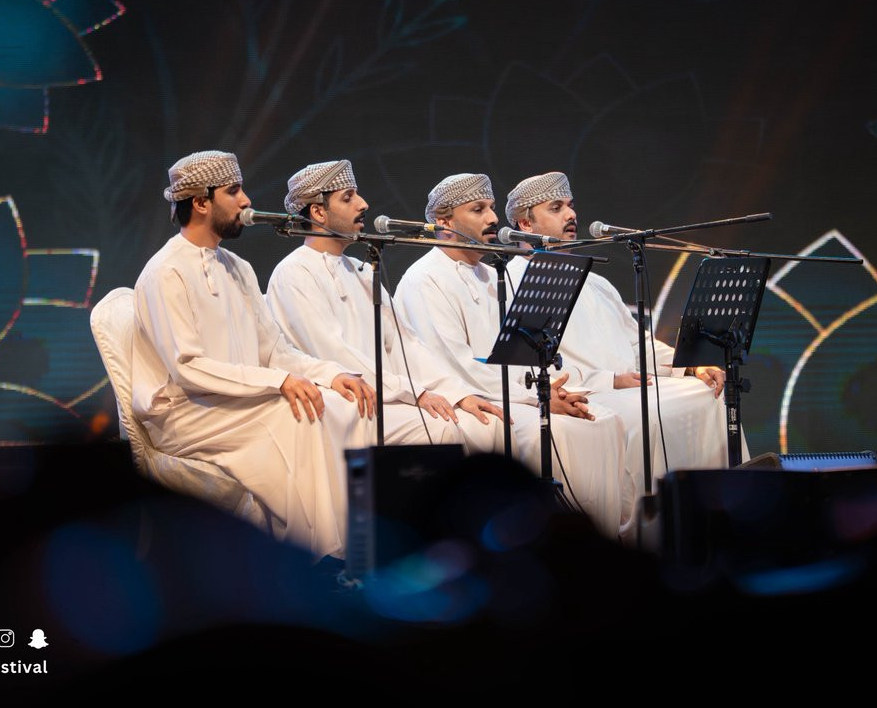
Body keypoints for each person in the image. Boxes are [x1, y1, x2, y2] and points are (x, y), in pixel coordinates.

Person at [131, 150, 377, 560]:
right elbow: (188, 368)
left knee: (339, 403)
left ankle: (353, 549)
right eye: (234, 191)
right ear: (201, 202)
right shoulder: (165, 272)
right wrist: (278, 382)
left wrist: (330, 374)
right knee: (297, 417)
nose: (246, 200)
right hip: (187, 411)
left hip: (236, 402)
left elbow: (274, 351)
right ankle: (310, 556)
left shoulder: (238, 267)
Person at [392, 173, 631, 538]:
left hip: (511, 394)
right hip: (468, 398)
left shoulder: (492, 275)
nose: (492, 219)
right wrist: (537, 398)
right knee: (557, 432)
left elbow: (515, 353)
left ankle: (605, 540)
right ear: (443, 222)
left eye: (491, 208)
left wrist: (547, 390)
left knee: (604, 420)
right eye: (478, 210)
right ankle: (551, 543)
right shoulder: (424, 278)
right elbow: (453, 365)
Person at [504, 171, 747, 487]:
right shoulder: (513, 284)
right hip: (591, 392)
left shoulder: (597, 282)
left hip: (630, 387)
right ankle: (653, 509)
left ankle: (725, 495)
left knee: (709, 394)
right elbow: (527, 366)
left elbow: (638, 343)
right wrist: (610, 380)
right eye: (556, 208)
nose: (571, 215)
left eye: (570, 205)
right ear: (525, 224)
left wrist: (689, 365)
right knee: (653, 412)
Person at [265, 159, 505, 450]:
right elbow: (333, 352)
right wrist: (412, 392)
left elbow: (406, 345)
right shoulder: (294, 272)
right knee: (441, 428)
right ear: (318, 212)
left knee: (488, 424)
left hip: (390, 394)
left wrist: (457, 394)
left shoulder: (361, 271)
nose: (363, 204)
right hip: (346, 401)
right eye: (348, 198)